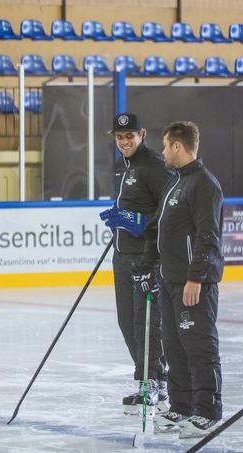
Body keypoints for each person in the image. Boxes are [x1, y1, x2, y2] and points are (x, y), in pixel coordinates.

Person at [133, 121, 224, 438]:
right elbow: (158, 230)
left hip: (192, 284)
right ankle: (182, 407)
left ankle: (207, 411)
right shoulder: (176, 183)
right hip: (169, 281)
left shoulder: (204, 185)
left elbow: (207, 237)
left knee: (198, 347)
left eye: (165, 145)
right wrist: (146, 266)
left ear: (177, 146)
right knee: (174, 347)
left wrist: (195, 278)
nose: (161, 151)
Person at [99, 113, 173, 416]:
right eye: (119, 137)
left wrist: (138, 223)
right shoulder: (124, 167)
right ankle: (155, 379)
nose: (124, 141)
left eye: (130, 136)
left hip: (145, 259)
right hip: (122, 256)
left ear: (142, 135)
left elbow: (169, 211)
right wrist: (119, 220)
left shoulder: (154, 166)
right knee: (127, 323)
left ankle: (152, 383)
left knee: (146, 325)